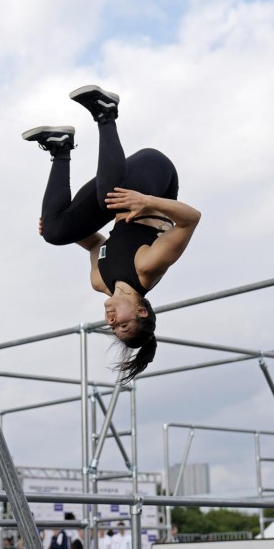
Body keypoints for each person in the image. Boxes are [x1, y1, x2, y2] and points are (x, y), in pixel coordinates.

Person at [24, 85, 201, 382]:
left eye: (113, 328)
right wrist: (147, 201)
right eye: (122, 325)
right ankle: (106, 112)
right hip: (156, 178)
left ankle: (60, 147)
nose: (111, 321)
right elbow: (191, 219)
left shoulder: (99, 281)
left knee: (54, 232)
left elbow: (95, 241)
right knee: (112, 195)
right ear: (141, 312)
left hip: (115, 188)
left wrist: (64, 230)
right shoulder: (147, 268)